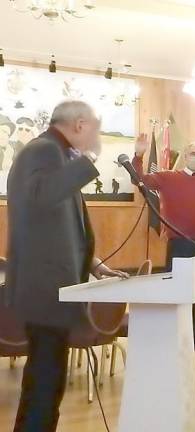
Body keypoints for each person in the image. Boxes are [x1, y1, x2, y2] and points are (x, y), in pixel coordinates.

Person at [3, 100, 128, 432]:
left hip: (53, 288)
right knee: (45, 383)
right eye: (96, 129)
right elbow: (41, 197)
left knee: (47, 381)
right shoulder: (42, 150)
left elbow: (61, 225)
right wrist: (88, 160)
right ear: (79, 124)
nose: (97, 137)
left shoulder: (55, 156)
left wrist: (95, 265)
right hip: (44, 289)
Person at [133, 136, 195, 351]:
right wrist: (138, 156)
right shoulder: (168, 178)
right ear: (185, 156)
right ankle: (174, 333)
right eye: (194, 154)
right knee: (175, 290)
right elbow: (140, 180)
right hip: (177, 244)